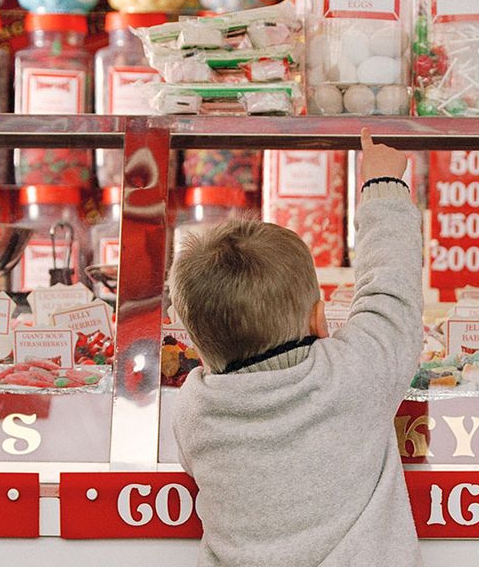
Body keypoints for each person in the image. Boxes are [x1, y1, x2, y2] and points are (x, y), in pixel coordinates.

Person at [170, 129, 424, 566]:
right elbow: (390, 293)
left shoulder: (196, 409)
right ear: (319, 319)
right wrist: (384, 190)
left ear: (194, 342)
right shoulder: (354, 374)